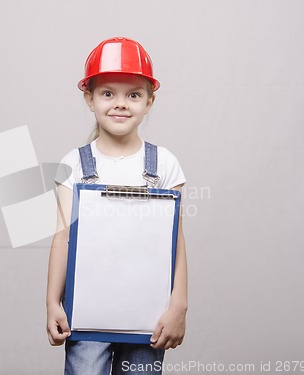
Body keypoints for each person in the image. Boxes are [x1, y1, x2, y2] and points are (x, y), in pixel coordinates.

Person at [46, 37, 188, 375]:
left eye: (133, 95)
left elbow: (176, 241)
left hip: (148, 316)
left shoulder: (165, 165)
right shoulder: (75, 164)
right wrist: (53, 301)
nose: (120, 104)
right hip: (87, 311)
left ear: (150, 101)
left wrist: (179, 304)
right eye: (107, 93)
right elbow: (62, 236)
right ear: (89, 99)